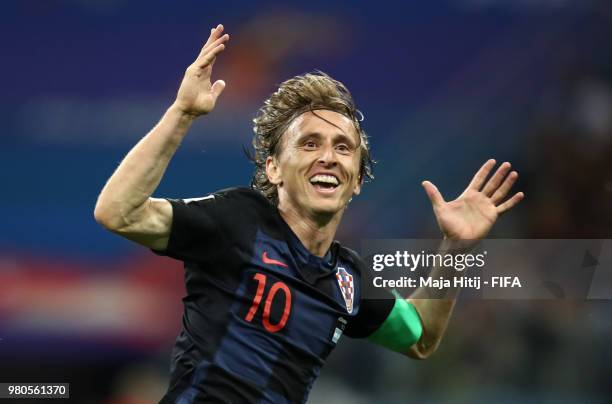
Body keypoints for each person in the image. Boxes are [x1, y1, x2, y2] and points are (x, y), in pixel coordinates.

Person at [94, 24, 524, 403]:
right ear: (274, 169)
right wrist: (182, 113)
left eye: (343, 148)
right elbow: (119, 213)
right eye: (309, 143)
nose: (328, 158)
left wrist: (457, 247)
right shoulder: (237, 220)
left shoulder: (346, 280)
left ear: (357, 179)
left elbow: (420, 337)